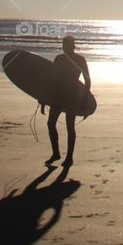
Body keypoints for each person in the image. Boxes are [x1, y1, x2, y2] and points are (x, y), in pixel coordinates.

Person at [41, 34, 90, 167]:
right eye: (63, 46)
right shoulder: (59, 59)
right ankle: (56, 153)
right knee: (51, 123)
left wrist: (85, 98)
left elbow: (87, 80)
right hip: (58, 95)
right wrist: (43, 98)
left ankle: (69, 157)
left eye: (66, 45)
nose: (65, 48)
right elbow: (52, 80)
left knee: (70, 126)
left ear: (72, 46)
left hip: (71, 96)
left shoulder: (80, 60)